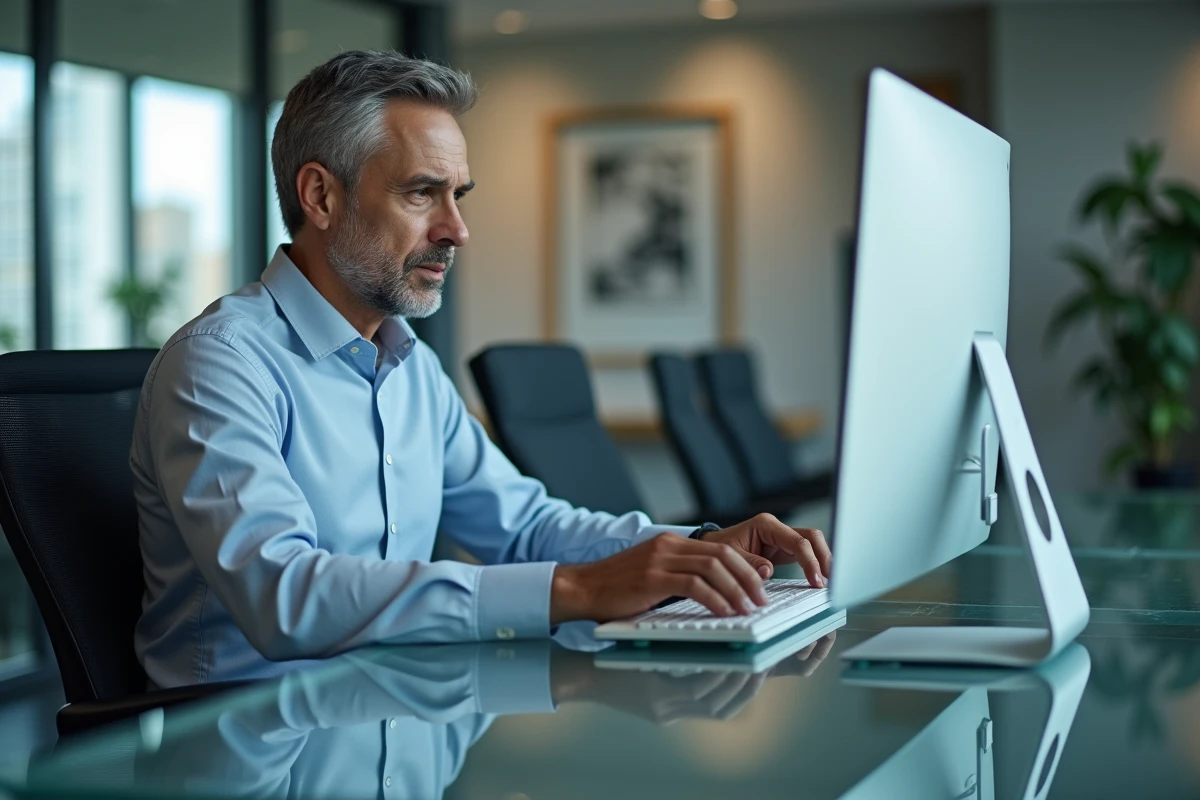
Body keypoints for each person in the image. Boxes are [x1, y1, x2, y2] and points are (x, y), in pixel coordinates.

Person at [130, 50, 831, 689]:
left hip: (397, 712)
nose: (456, 229)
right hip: (252, 748)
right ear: (321, 197)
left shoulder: (411, 368)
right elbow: (284, 597)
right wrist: (580, 590)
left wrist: (689, 552)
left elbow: (524, 528)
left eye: (457, 195)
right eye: (420, 193)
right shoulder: (221, 363)